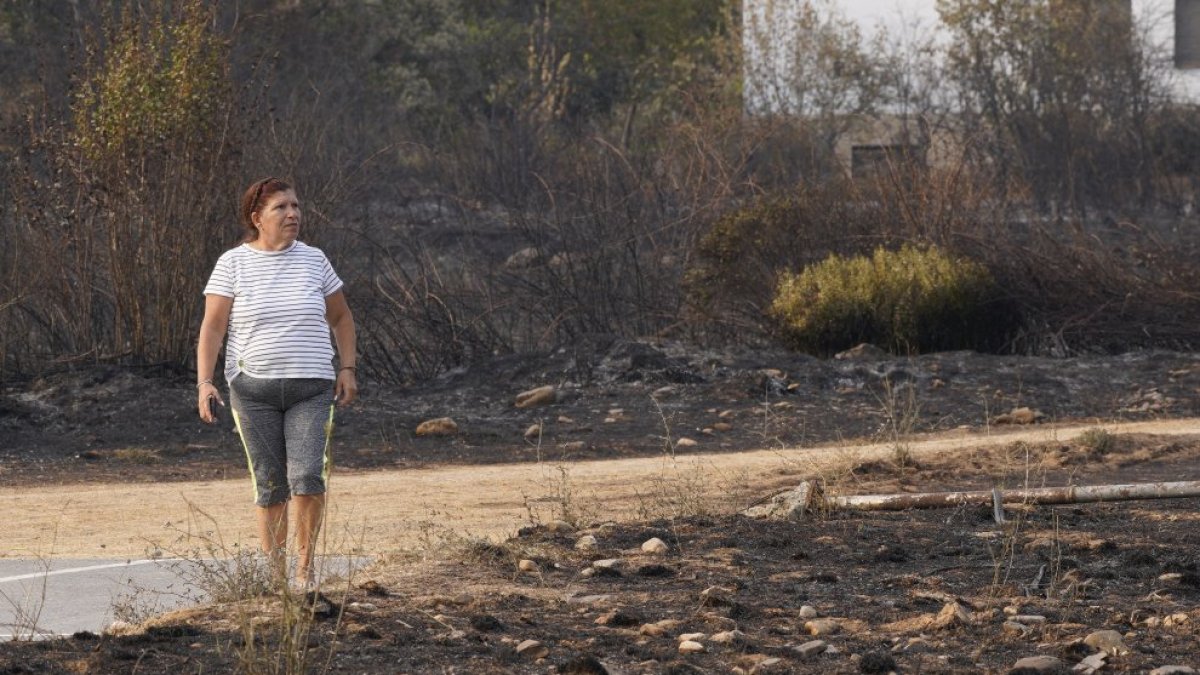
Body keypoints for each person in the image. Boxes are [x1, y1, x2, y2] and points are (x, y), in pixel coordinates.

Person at [195, 177, 357, 592]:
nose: (293, 214)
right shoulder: (232, 263)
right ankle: (274, 579)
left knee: (307, 475)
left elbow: (341, 318)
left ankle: (304, 573)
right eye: (281, 208)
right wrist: (205, 382)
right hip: (252, 391)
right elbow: (213, 328)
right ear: (257, 218)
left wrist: (348, 368)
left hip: (312, 388)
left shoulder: (315, 260)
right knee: (269, 482)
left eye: (296, 207)